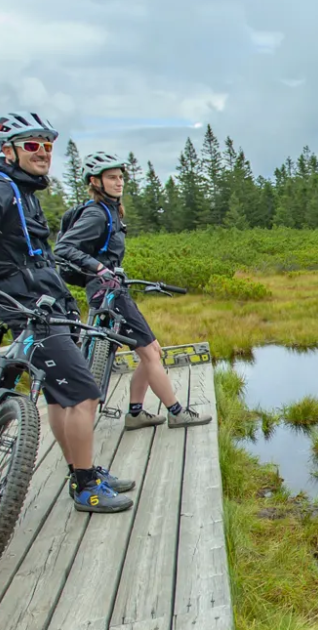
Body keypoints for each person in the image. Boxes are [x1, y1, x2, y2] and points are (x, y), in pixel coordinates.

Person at [0, 112, 135, 514]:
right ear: (9, 150)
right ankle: (85, 486)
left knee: (59, 396)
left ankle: (80, 469)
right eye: (33, 145)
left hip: (44, 303)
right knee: (85, 394)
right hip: (27, 309)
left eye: (48, 146)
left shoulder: (23, 191)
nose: (43, 153)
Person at [54, 151, 211, 431]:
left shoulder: (111, 211)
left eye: (121, 177)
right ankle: (176, 412)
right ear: (95, 181)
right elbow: (64, 248)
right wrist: (99, 269)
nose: (119, 182)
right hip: (108, 293)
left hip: (112, 290)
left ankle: (136, 413)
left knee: (151, 350)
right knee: (151, 352)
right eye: (112, 178)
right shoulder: (96, 213)